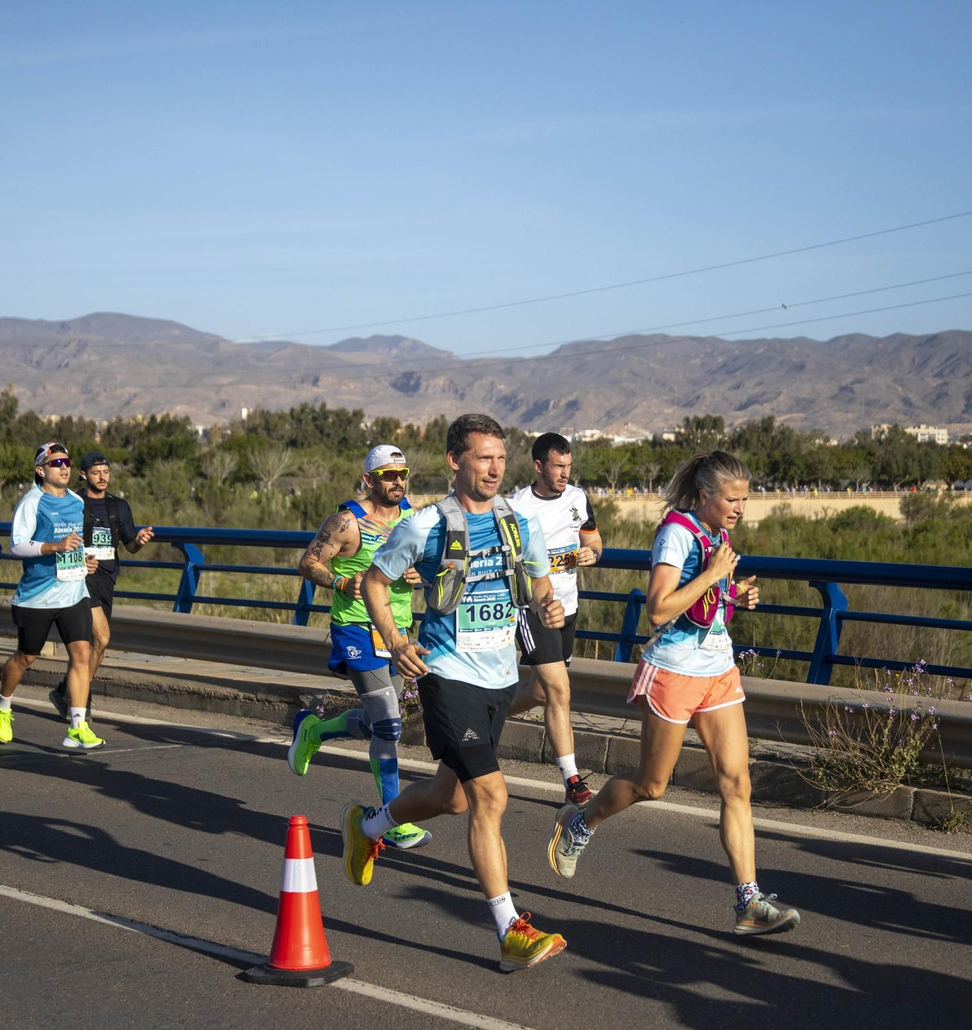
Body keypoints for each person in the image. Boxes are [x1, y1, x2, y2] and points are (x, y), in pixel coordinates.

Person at [340, 414, 569, 973]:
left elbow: (538, 578)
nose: (494, 469)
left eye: (500, 458)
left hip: (499, 677)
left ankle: (368, 827)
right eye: (483, 458)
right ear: (454, 462)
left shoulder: (517, 522)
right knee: (491, 797)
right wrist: (393, 639)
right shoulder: (425, 525)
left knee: (454, 796)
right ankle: (509, 930)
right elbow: (375, 580)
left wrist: (546, 604)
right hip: (446, 674)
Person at [547, 450, 802, 937]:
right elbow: (660, 611)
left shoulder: (717, 535)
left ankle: (748, 901)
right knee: (652, 785)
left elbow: (706, 601)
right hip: (675, 671)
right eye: (732, 498)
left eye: (745, 499)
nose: (739, 508)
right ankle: (581, 822)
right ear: (705, 495)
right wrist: (711, 576)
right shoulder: (676, 534)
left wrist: (734, 595)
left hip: (718, 669)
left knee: (737, 785)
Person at [290, 444, 430, 851]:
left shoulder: (415, 519)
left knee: (374, 723)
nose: (397, 482)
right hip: (354, 627)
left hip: (396, 631)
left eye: (402, 475)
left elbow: (440, 564)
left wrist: (422, 571)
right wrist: (339, 581)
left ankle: (314, 730)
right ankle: (393, 817)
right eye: (388, 475)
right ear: (370, 479)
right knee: (389, 724)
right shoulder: (347, 521)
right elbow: (309, 562)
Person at [0, 442, 103, 750]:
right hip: (36, 597)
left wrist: (84, 560)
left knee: (81, 654)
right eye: (56, 462)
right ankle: (1, 703)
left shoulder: (77, 501)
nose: (64, 467)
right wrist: (54, 547)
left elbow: (75, 543)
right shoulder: (31, 502)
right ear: (41, 470)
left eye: (67, 462)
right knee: (26, 657)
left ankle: (77, 726)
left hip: (74, 592)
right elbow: (17, 545)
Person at [507, 432, 602, 805]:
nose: (565, 473)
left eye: (568, 466)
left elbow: (594, 542)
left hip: (569, 605)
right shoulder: (518, 506)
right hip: (533, 610)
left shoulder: (578, 498)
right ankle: (573, 781)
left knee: (540, 692)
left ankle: (488, 715)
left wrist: (591, 554)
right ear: (538, 466)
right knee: (560, 690)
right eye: (558, 466)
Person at [47, 451, 154, 721]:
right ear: (83, 475)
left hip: (106, 579)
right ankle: (80, 697)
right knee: (102, 637)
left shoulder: (119, 507)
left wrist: (139, 541)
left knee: (94, 644)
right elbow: (59, 539)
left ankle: (66, 691)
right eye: (96, 472)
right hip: (80, 580)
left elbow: (129, 545)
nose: (102, 477)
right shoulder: (73, 504)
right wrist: (80, 560)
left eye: (106, 472)